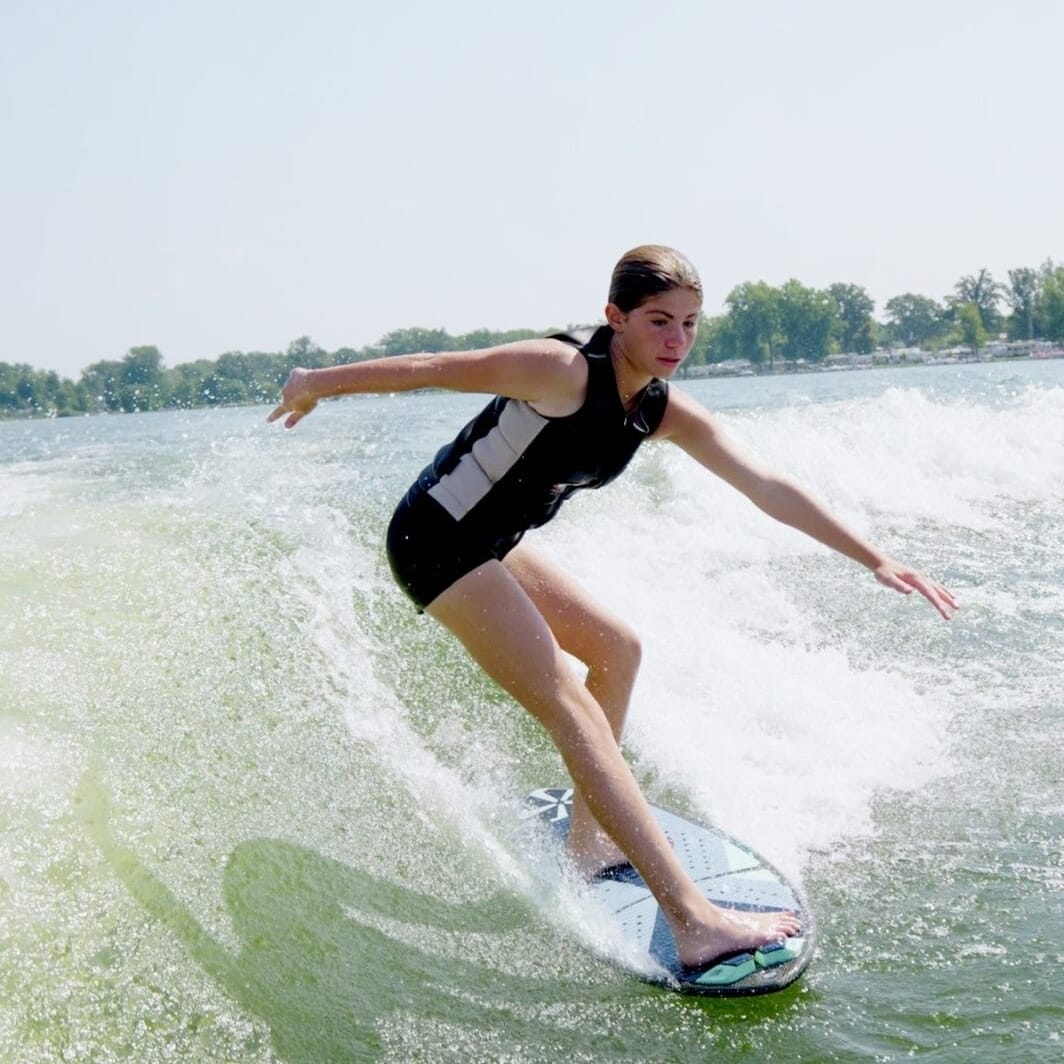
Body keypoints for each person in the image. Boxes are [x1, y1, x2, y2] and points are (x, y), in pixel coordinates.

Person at [268, 245, 957, 976]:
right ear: (614, 317)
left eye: (690, 324)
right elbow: (429, 367)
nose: (676, 341)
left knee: (618, 650)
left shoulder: (657, 408)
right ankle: (693, 920)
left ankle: (590, 842)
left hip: (493, 540)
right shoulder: (559, 370)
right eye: (659, 321)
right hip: (437, 539)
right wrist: (314, 383)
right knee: (571, 704)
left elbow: (765, 484)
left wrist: (873, 555)